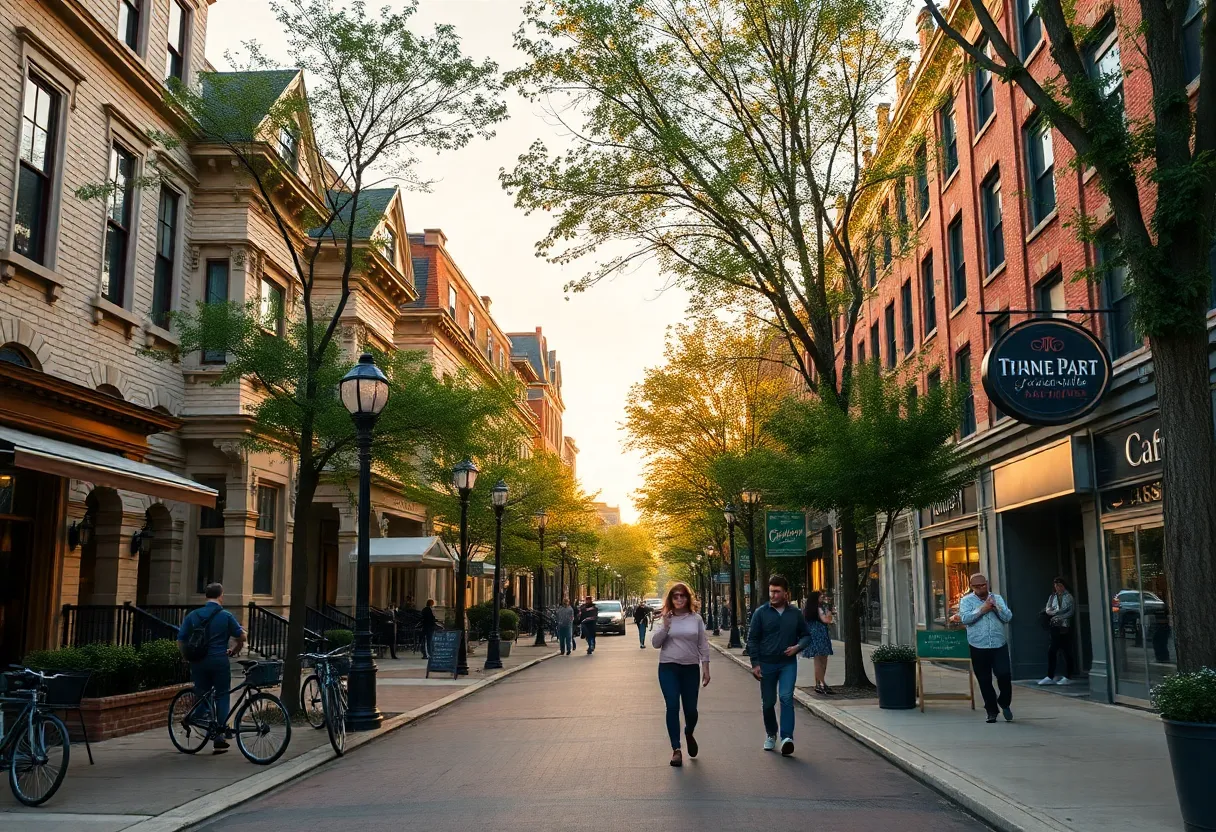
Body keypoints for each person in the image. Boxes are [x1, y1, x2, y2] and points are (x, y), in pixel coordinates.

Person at [746, 575, 811, 757]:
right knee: (768, 703)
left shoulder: (795, 613)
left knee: (786, 697)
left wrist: (798, 647)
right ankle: (771, 733)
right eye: (771, 591)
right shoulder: (761, 613)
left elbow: (806, 635)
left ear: (786, 593)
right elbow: (752, 639)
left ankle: (787, 738)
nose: (773, 595)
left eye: (777, 592)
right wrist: (755, 663)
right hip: (766, 664)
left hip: (787, 664)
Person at [177, 583, 246, 754]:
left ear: (206, 596)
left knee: (202, 694)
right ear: (221, 596)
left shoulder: (193, 615)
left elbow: (181, 639)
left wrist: (186, 656)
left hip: (199, 661)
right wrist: (235, 649)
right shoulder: (225, 615)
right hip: (219, 660)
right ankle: (219, 735)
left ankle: (196, 717)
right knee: (222, 695)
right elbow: (241, 636)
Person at [651, 582, 711, 767]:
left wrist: (706, 668)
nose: (679, 599)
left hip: (690, 668)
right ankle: (676, 749)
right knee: (672, 706)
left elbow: (703, 644)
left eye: (682, 596)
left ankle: (689, 731)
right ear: (670, 599)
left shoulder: (696, 619)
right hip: (668, 667)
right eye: (675, 596)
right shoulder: (664, 618)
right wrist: (666, 626)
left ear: (687, 598)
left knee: (691, 710)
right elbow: (655, 643)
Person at [957, 573, 1014, 723]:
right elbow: (965, 619)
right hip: (978, 644)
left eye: (983, 585)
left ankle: (1004, 702)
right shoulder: (966, 601)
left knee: (1004, 674)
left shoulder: (997, 598)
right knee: (984, 679)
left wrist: (995, 608)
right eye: (977, 587)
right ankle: (991, 711)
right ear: (971, 587)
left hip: (998, 643)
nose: (981, 589)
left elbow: (1008, 618)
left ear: (987, 584)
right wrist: (982, 609)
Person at [1038, 577, 1075, 686]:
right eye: (1056, 586)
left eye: (1060, 585)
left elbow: (1070, 612)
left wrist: (1059, 616)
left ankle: (1068, 676)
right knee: (1052, 651)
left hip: (1064, 626)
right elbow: (1048, 608)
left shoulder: (1069, 597)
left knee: (1066, 651)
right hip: (1054, 627)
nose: (1058, 588)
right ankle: (1050, 675)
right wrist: (1052, 613)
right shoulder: (1052, 596)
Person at [801, 590, 835, 695]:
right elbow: (826, 620)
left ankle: (818, 683)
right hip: (820, 635)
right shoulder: (819, 608)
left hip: (814, 635)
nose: (822, 598)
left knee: (818, 660)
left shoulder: (808, 610)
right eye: (821, 597)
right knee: (822, 660)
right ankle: (822, 683)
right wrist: (830, 614)